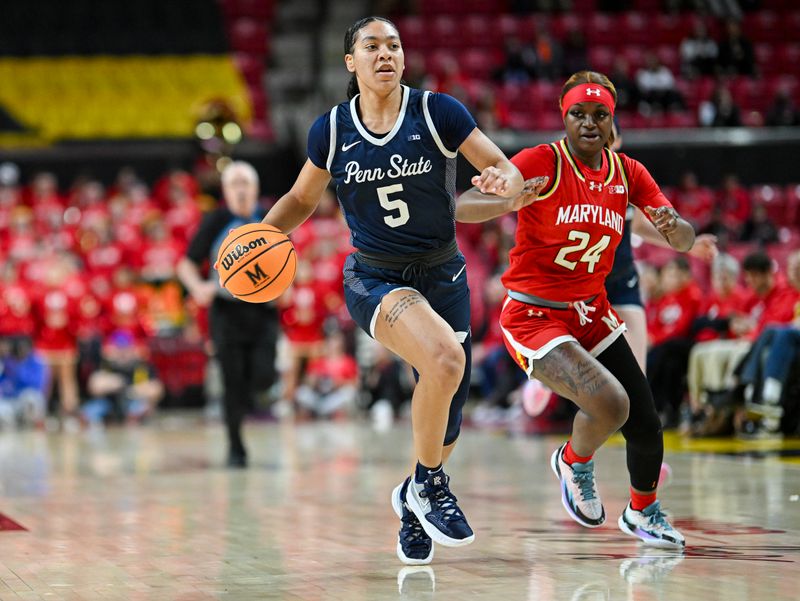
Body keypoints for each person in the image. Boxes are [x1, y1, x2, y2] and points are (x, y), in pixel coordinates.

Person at [256, 16, 523, 564]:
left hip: (443, 273)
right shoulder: (330, 130)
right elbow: (303, 199)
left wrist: (505, 180)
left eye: (395, 45)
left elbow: (501, 166)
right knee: (445, 361)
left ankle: (411, 496)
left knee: (448, 412)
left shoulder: (438, 112)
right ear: (350, 62)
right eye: (371, 46)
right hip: (375, 275)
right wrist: (258, 237)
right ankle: (429, 486)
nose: (386, 54)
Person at [456, 71, 695, 548]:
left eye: (600, 114)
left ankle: (643, 512)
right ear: (563, 119)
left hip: (592, 312)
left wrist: (673, 224)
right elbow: (463, 206)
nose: (589, 123)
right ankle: (573, 460)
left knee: (645, 420)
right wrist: (505, 198)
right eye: (578, 114)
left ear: (612, 120)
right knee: (611, 402)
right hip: (534, 315)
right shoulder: (542, 159)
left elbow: (684, 240)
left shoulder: (629, 172)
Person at [177, 161, 279, 468]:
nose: (240, 189)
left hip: (263, 310)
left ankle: (253, 397)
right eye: (234, 183)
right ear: (225, 190)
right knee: (231, 382)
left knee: (264, 375)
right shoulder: (216, 220)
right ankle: (236, 447)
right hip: (226, 312)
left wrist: (287, 284)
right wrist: (197, 287)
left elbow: (289, 258)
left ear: (256, 189)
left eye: (245, 183)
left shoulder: (271, 217)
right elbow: (185, 264)